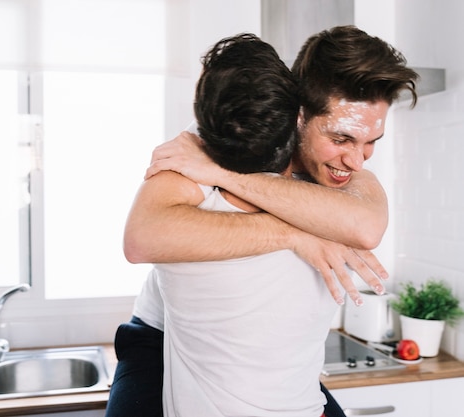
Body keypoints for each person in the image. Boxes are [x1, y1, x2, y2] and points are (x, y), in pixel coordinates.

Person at [107, 26, 418, 417]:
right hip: (161, 335)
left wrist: (229, 177)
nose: (357, 161)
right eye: (341, 139)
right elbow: (143, 237)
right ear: (299, 114)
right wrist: (292, 234)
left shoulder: (340, 173)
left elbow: (366, 227)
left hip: (275, 366)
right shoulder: (224, 136)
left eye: (372, 141)